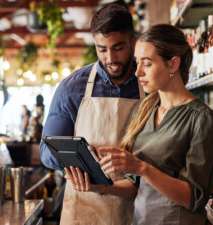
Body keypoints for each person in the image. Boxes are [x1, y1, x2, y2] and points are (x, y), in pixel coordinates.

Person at [65, 24, 213, 225]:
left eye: (146, 64)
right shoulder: (146, 109)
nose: (138, 72)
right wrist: (100, 186)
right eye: (137, 62)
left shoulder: (202, 118)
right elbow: (135, 185)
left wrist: (141, 167)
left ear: (173, 64)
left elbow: (194, 198)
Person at [39, 3, 144, 225]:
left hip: (139, 207)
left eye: (118, 48)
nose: (111, 58)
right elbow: (47, 152)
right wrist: (80, 156)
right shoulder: (72, 88)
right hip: (86, 208)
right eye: (102, 49)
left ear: (133, 41)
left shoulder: (150, 84)